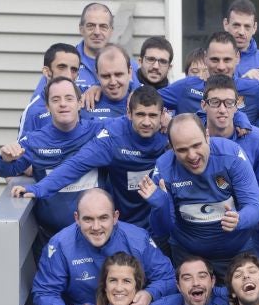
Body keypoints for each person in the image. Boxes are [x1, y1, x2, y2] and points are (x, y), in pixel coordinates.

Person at [28, 188, 176, 305]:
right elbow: (45, 292)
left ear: (115, 217)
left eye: (103, 218)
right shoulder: (60, 245)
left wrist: (149, 294)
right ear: (76, 218)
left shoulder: (137, 239)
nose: (96, 227)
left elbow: (168, 278)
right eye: (88, 219)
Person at [13, 87, 168, 232]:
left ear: (162, 115)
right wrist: (38, 188)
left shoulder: (170, 133)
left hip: (161, 222)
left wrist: (172, 123)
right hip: (122, 223)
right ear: (129, 113)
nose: (147, 122)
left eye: (153, 115)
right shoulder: (113, 137)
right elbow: (76, 164)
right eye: (140, 114)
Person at [137, 114, 259, 279]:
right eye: (182, 150)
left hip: (237, 253)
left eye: (197, 145)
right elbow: (162, 230)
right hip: (188, 256)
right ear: (172, 148)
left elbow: (255, 208)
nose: (192, 156)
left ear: (207, 137)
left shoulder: (231, 155)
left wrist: (239, 219)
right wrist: (161, 205)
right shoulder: (164, 167)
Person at [0, 76, 105, 235]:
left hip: (96, 232)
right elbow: (4, 170)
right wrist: (5, 159)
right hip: (50, 235)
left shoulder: (99, 131)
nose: (63, 104)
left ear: (80, 103)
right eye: (56, 100)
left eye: (69, 98)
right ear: (47, 106)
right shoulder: (36, 140)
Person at [158, 32, 259, 123]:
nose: (221, 67)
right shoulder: (186, 87)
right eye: (215, 60)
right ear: (205, 58)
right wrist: (164, 117)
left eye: (227, 60)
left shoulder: (253, 90)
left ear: (237, 58)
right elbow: (146, 99)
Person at [201, 74, 259, 193]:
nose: (222, 110)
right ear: (204, 105)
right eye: (215, 102)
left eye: (229, 103)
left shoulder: (257, 139)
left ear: (236, 106)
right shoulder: (192, 137)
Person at [19, 43, 82, 136]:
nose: (68, 75)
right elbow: (23, 149)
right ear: (47, 72)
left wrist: (96, 87)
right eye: (62, 67)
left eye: (73, 70)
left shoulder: (90, 96)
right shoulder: (34, 111)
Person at [80, 44, 134, 121]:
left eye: (118, 74)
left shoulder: (143, 100)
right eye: (106, 76)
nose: (113, 82)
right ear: (97, 74)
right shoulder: (83, 96)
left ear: (130, 72)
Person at [223, 0, 259, 78]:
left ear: (254, 28)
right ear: (226, 24)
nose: (241, 32)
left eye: (247, 26)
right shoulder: (213, 58)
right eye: (236, 25)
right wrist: (245, 82)